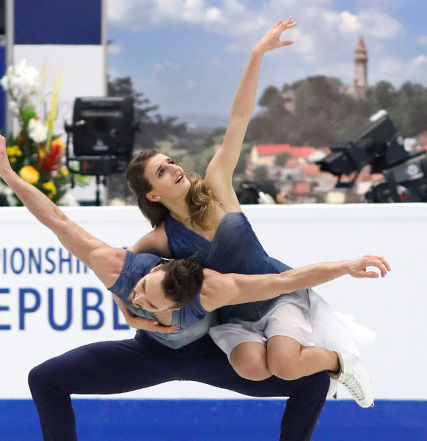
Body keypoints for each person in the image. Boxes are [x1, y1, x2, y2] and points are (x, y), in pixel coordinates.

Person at [0, 132, 388, 441]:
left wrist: (345, 266)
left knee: (310, 379)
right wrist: (8, 174)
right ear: (154, 266)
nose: (143, 301)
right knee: (45, 378)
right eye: (140, 292)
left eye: (154, 303)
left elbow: (284, 280)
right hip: (149, 355)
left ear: (182, 297)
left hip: (209, 353)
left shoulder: (210, 288)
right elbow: (56, 218)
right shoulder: (120, 267)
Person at [124, 18, 380, 407]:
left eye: (171, 161)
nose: (175, 168)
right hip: (233, 318)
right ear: (152, 195)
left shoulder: (216, 185)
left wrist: (257, 55)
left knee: (285, 365)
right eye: (162, 171)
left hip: (278, 294)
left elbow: (239, 119)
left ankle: (339, 362)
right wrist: (129, 315)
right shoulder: (159, 239)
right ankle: (285, 350)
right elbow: (115, 270)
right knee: (252, 369)